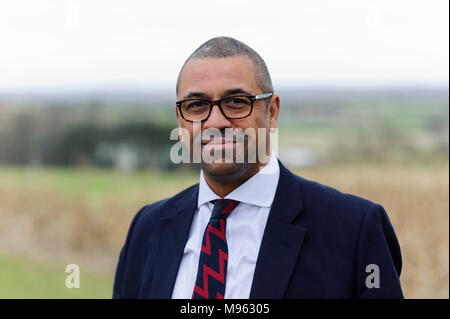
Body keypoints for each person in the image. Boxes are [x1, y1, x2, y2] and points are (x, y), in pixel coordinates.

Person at [113, 36, 403, 299]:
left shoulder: (354, 230)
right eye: (197, 105)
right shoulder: (147, 228)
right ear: (180, 120)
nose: (215, 122)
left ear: (272, 111)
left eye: (237, 102)